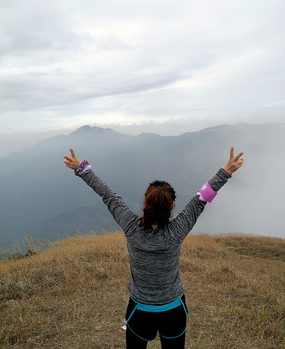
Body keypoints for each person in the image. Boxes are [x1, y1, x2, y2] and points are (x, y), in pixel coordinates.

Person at [63, 147, 244, 349]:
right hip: (173, 308)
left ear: (144, 202)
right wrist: (227, 171)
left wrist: (81, 168)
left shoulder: (131, 226)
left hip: (139, 308)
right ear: (172, 206)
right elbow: (201, 199)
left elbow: (108, 195)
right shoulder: (178, 230)